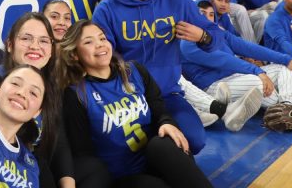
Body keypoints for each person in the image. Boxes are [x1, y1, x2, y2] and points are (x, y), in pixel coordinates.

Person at [92, 0, 221, 154]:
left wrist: (203, 36)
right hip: (126, 98)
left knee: (195, 141)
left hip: (167, 93)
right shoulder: (106, 9)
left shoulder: (179, 2)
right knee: (132, 151)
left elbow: (216, 36)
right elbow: (102, 58)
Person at [57, 21, 212, 187]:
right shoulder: (76, 94)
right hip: (124, 176)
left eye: (102, 38)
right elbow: (83, 153)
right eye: (88, 42)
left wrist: (166, 122)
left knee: (163, 144)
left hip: (155, 156)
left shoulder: (134, 71)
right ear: (75, 54)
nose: (100, 44)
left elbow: (158, 108)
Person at [0, 12, 73, 188]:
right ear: (10, 45)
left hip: (31, 171)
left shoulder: (51, 88)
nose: (35, 46)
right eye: (26, 38)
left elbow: (59, 141)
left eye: (44, 41)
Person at [182, 1, 292, 123]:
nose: (207, 17)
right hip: (214, 86)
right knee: (257, 82)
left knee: (289, 67)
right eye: (202, 13)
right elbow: (224, 60)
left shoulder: (218, 33)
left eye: (211, 14)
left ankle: (286, 106)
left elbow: (249, 48)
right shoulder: (186, 41)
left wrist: (288, 59)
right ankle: (289, 105)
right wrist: (258, 71)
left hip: (237, 76)